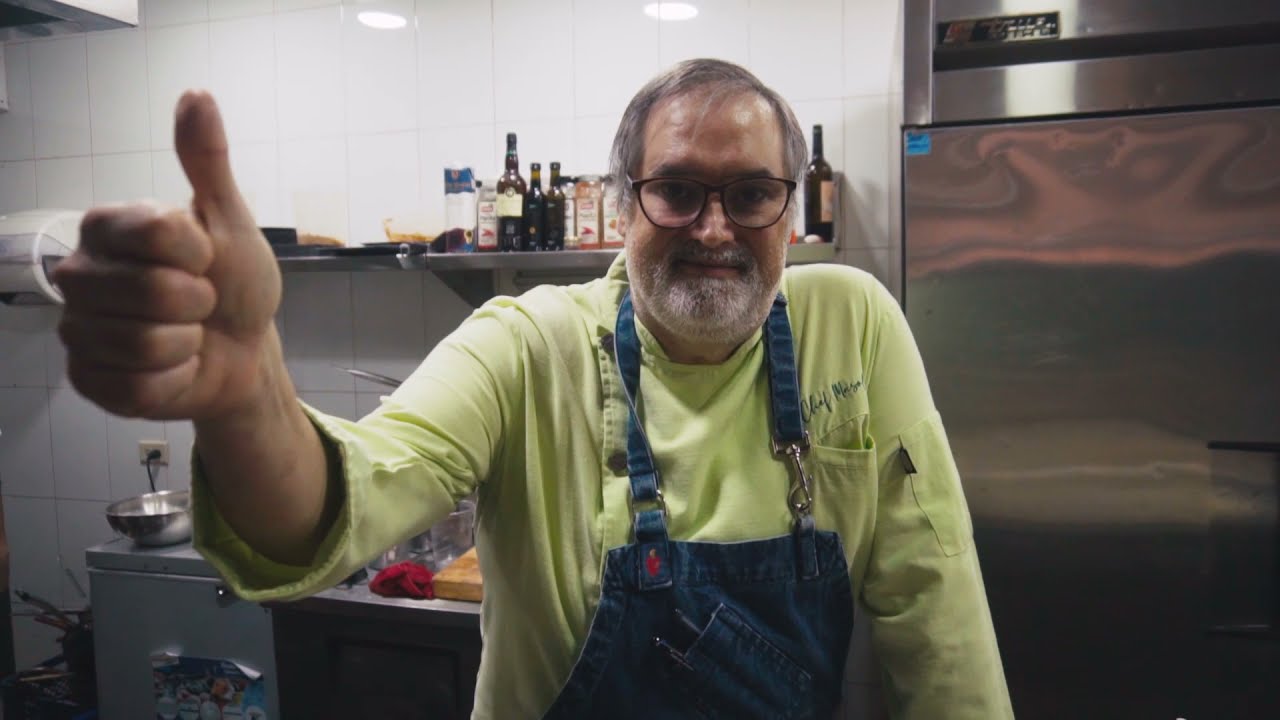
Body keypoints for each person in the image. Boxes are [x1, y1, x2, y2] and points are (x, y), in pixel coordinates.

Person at [53, 59, 1013, 718]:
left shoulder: (852, 322)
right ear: (622, 201)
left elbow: (936, 603)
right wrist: (240, 396)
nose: (715, 227)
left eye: (752, 194)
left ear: (790, 209)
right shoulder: (528, 344)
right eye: (677, 189)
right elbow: (334, 506)